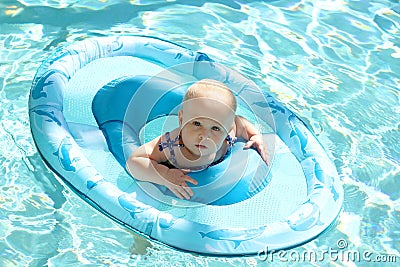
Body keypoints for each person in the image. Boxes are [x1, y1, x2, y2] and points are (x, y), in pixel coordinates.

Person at [126, 79, 270, 200]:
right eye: (197, 123)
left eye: (215, 128)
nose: (205, 135)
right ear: (181, 119)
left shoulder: (228, 134)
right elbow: (134, 162)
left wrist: (255, 136)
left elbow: (241, 122)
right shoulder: (172, 145)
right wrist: (164, 175)